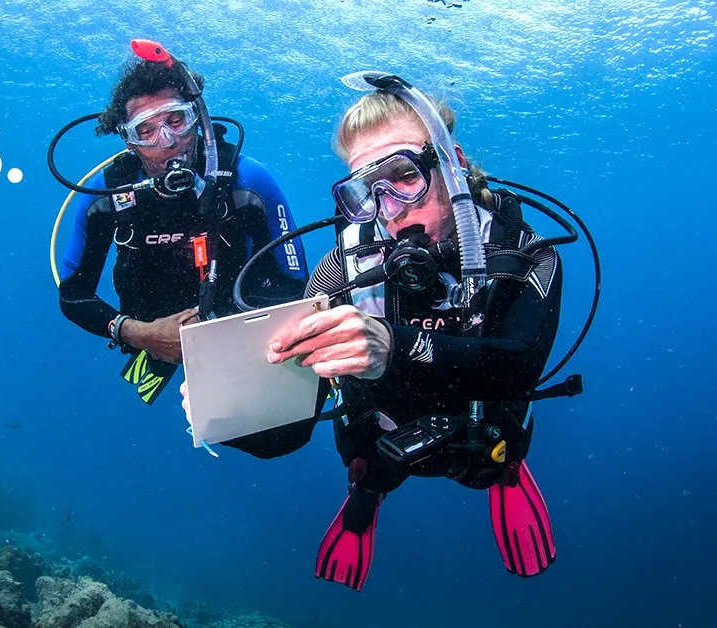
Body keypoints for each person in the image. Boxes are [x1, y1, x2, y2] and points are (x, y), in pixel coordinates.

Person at [182, 74, 565, 590]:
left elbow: (520, 366)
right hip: (381, 440)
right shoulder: (341, 267)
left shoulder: (527, 254)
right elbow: (293, 421)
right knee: (368, 464)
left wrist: (395, 346)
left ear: (451, 163)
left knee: (494, 457)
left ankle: (507, 477)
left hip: (483, 438)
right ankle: (366, 497)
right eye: (367, 189)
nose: (391, 207)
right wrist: (232, 413)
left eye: (404, 175)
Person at [57, 43, 309, 404]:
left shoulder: (247, 181)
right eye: (146, 131)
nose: (168, 141)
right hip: (148, 334)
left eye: (176, 120)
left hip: (238, 329)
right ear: (129, 142)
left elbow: (293, 283)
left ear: (197, 119)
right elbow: (73, 295)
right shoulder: (106, 194)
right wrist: (137, 333)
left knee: (274, 425)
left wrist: (221, 332)